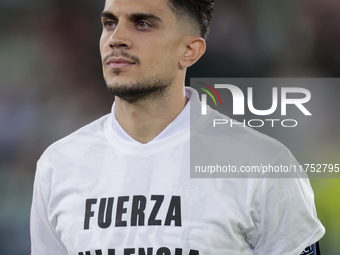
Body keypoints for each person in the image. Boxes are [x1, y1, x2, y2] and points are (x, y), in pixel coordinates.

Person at [30, 0, 325, 254]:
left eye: (142, 24)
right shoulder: (58, 165)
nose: (115, 38)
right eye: (109, 23)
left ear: (190, 51)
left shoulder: (260, 163)